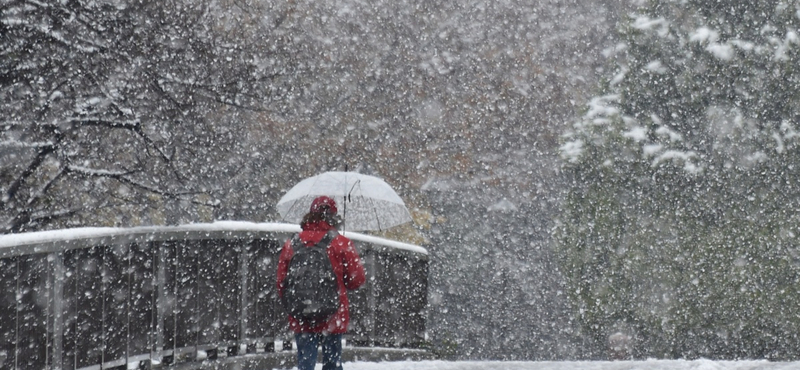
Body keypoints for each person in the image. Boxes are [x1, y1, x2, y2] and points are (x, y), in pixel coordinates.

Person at [277, 196, 366, 370]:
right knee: (332, 363)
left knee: (305, 362)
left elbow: (282, 282)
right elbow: (357, 280)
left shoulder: (293, 242)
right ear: (334, 216)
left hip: (301, 313)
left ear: (311, 214)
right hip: (333, 313)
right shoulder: (341, 243)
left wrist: (297, 303)